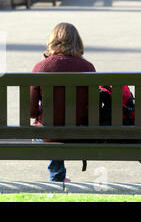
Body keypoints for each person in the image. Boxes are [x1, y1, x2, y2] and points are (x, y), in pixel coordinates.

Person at [30, 23, 96, 182]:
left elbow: (30, 111)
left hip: (49, 134)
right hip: (80, 133)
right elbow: (94, 108)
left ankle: (57, 176)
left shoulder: (41, 67)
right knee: (58, 124)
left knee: (50, 125)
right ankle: (57, 177)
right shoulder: (88, 67)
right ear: (77, 43)